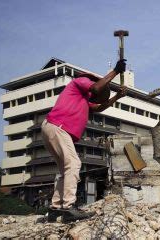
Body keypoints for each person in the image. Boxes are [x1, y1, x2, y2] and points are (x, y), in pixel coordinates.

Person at [43, 59, 127, 222]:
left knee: (64, 170)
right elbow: (96, 87)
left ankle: (55, 209)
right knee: (74, 164)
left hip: (53, 128)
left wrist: (116, 96)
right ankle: (68, 208)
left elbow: (99, 107)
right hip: (58, 127)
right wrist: (116, 71)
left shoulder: (84, 99)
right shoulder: (80, 81)